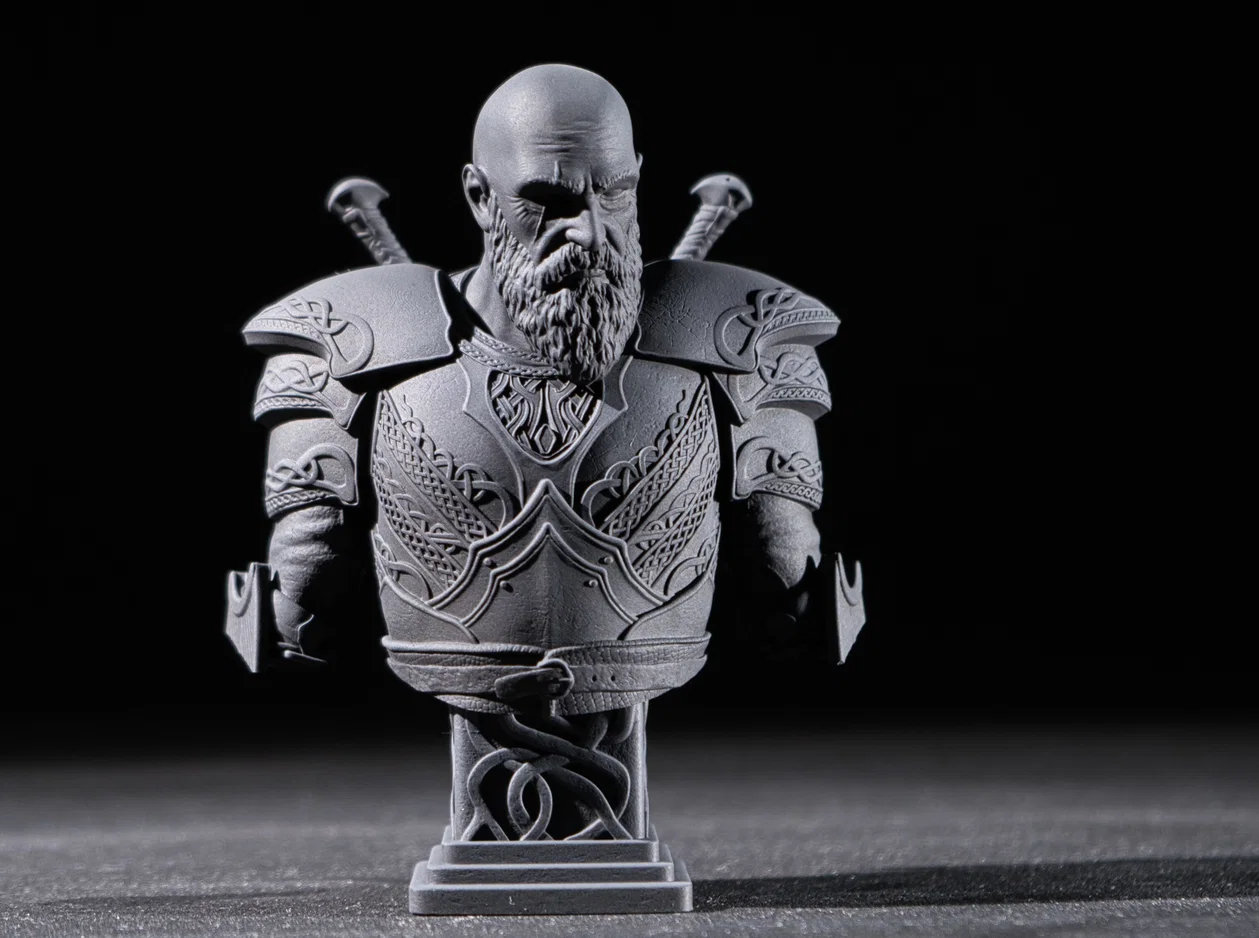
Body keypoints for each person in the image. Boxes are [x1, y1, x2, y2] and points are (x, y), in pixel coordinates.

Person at [229, 64, 855, 913]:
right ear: (478, 197)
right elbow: (299, 598)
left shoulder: (744, 333)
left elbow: (793, 581)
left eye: (614, 192)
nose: (587, 230)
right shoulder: (347, 342)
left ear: (640, 179)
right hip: (463, 667)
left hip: (638, 664)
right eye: (547, 201)